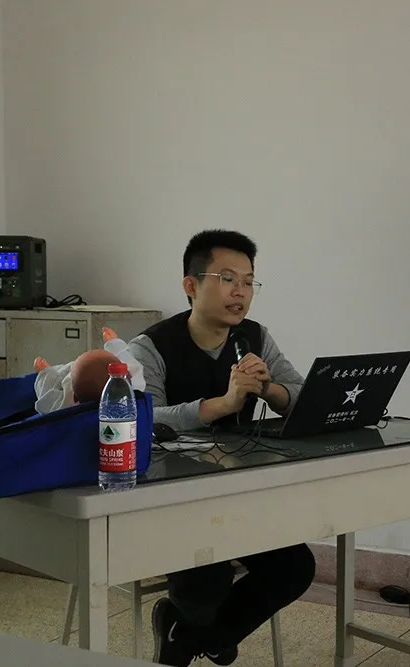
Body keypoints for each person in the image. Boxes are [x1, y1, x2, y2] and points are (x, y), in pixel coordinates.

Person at [128, 229, 316, 666]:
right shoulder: (151, 347)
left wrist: (270, 390)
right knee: (208, 576)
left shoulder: (254, 337)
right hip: (168, 498)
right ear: (191, 285)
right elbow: (143, 418)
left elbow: (301, 394)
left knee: (296, 567)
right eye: (227, 278)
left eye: (249, 282)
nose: (240, 292)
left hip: (236, 491)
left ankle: (188, 633)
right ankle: (202, 630)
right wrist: (222, 405)